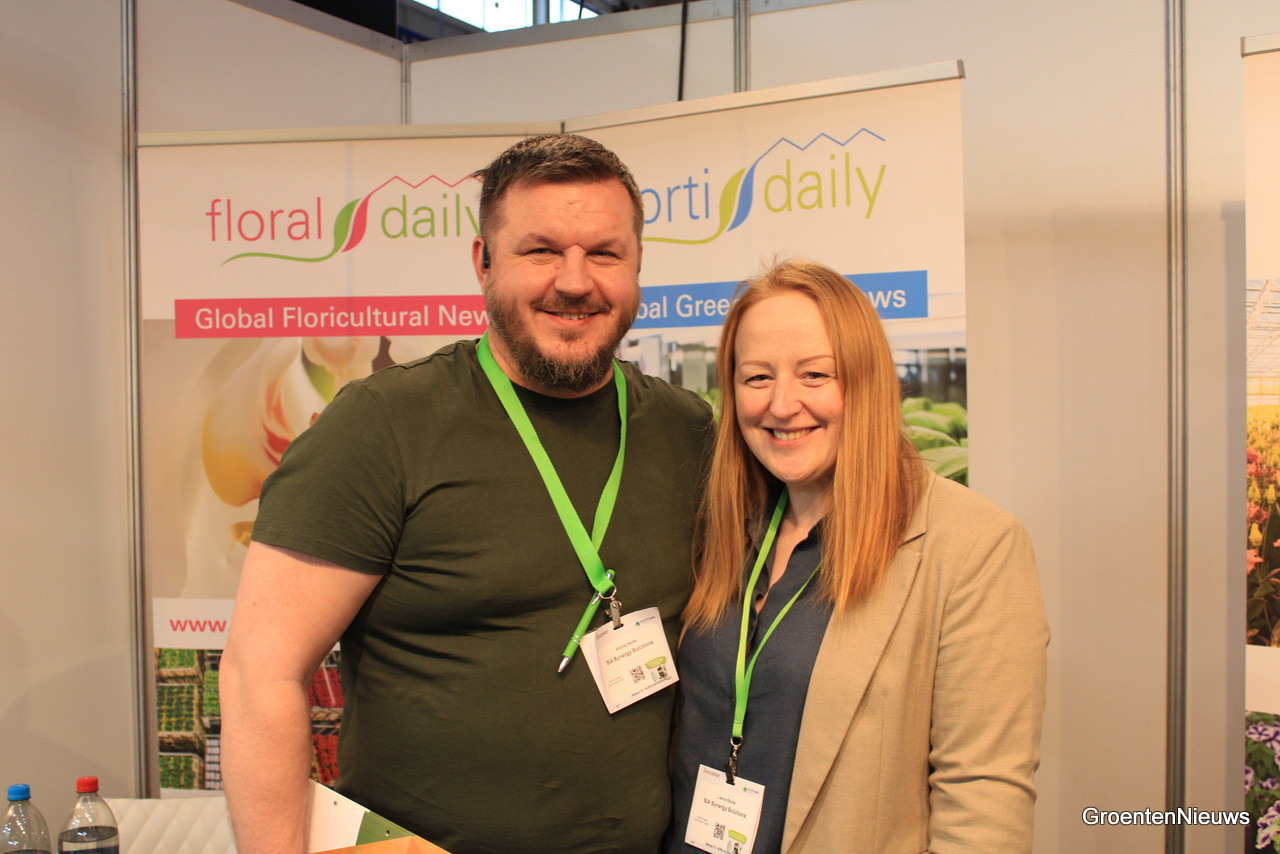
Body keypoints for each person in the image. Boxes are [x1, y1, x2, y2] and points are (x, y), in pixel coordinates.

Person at [220, 134, 713, 854]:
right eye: (541, 250)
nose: (575, 281)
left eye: (605, 253)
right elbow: (259, 675)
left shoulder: (689, 432)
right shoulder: (381, 427)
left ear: (637, 265)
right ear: (483, 261)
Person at [666, 260, 1048, 854]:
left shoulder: (973, 547)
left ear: (867, 381)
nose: (782, 404)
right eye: (757, 377)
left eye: (815, 374)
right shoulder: (723, 527)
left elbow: (983, 802)